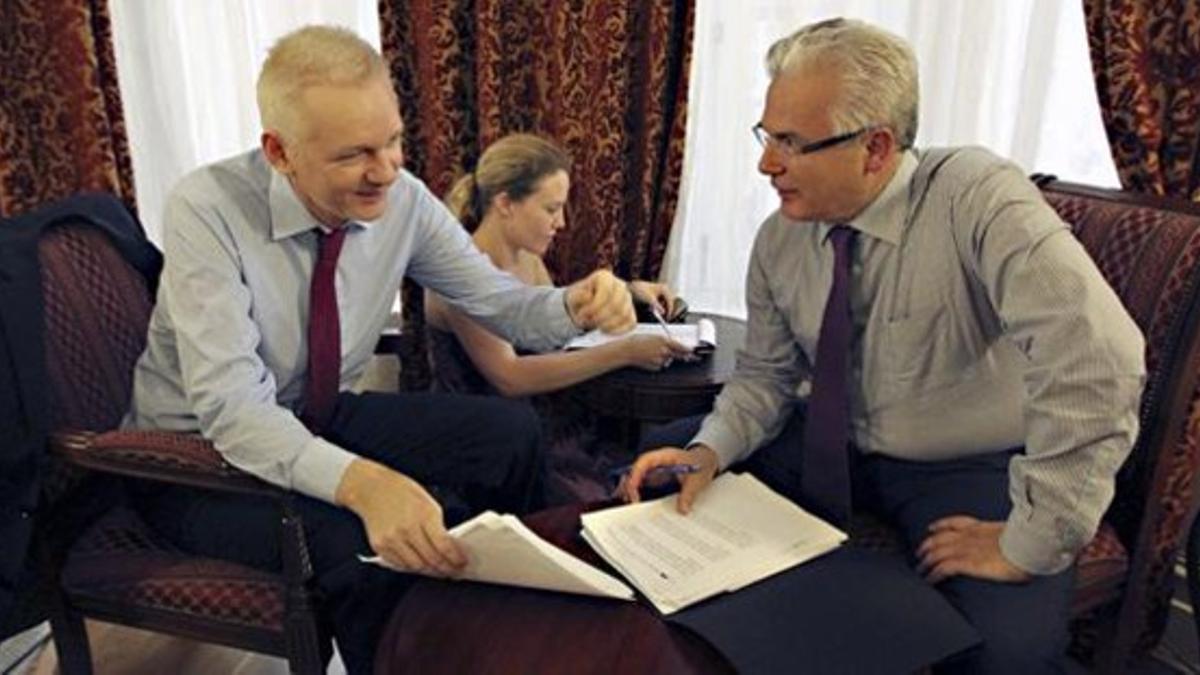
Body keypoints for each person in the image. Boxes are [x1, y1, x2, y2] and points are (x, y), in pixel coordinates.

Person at [623, 17, 1145, 674]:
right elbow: (765, 376)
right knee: (659, 469)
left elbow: (1099, 360)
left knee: (1006, 655)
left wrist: (1028, 541)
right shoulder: (779, 238)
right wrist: (710, 448)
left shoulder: (978, 197)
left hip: (962, 461)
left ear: (875, 148)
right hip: (829, 437)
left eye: (791, 141)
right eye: (767, 134)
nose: (766, 162)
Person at [126, 26, 635, 673]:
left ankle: (517, 633)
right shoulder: (209, 208)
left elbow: (504, 306)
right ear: (280, 152)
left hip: (313, 413)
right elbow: (232, 412)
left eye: (394, 140)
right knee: (361, 541)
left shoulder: (403, 199)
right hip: (194, 458)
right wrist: (365, 483)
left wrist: (575, 304)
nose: (388, 168)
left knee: (508, 432)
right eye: (355, 154)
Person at [425, 133, 693, 502]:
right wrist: (625, 352)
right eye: (551, 209)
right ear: (505, 203)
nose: (562, 222)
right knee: (623, 494)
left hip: (551, 427)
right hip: (496, 448)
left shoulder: (527, 258)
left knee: (664, 462)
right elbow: (510, 377)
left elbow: (556, 330)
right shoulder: (460, 275)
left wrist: (629, 296)